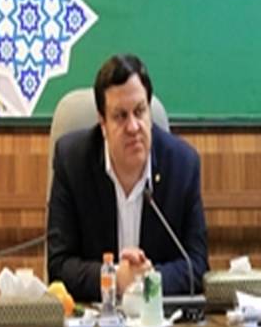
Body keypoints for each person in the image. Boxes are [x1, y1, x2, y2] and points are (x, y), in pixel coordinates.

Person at [47, 54, 207, 301]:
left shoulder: (182, 165)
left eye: (140, 112)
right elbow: (59, 266)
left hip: (158, 319)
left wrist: (149, 280)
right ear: (102, 123)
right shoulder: (73, 162)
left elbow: (197, 266)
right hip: (94, 319)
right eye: (121, 116)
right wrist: (112, 278)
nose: (133, 127)